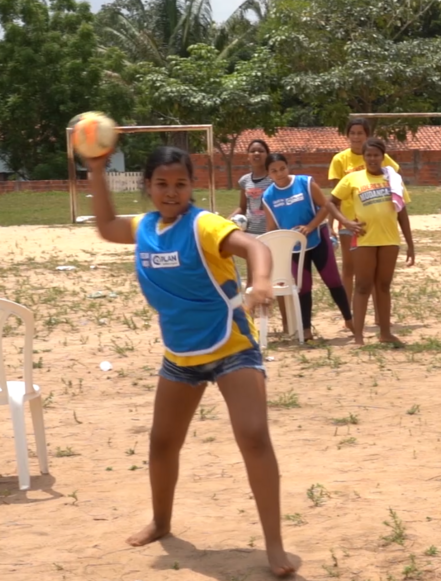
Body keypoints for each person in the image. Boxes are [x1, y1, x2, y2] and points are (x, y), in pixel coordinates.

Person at [83, 145, 295, 577]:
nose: (171, 192)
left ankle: (274, 546)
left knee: (254, 437)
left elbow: (254, 246)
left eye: (180, 183)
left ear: (191, 187)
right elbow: (105, 226)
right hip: (181, 356)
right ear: (148, 186)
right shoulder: (144, 227)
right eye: (161, 184)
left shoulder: (203, 225)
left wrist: (259, 283)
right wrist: (96, 168)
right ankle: (161, 522)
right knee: (162, 443)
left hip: (231, 349)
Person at [262, 153, 357, 339]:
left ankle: (350, 320)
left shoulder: (304, 183)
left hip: (318, 239)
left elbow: (326, 205)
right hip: (295, 249)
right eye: (274, 171)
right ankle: (306, 330)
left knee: (333, 281)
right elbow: (271, 228)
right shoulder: (268, 196)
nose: (279, 173)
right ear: (268, 174)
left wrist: (311, 226)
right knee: (303, 288)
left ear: (288, 167)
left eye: (282, 168)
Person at [333, 138, 416, 347]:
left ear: (383, 157)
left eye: (376, 155)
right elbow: (330, 202)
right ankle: (359, 336)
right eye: (368, 155)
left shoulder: (393, 179)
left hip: (389, 239)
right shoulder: (352, 178)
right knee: (362, 285)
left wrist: (410, 243)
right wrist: (344, 221)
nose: (372, 159)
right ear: (364, 156)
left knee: (384, 286)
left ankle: (385, 333)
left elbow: (402, 213)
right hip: (364, 239)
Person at [328, 118, 402, 308]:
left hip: (376, 222)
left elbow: (394, 175)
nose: (356, 137)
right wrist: (333, 225)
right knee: (349, 268)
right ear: (347, 135)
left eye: (360, 133)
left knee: (377, 272)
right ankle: (348, 313)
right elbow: (335, 197)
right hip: (351, 223)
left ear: (367, 135)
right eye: (352, 133)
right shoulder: (340, 159)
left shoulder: (376, 155)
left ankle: (380, 315)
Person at [229, 139, 274, 236]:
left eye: (261, 151)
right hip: (249, 232)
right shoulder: (244, 180)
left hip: (270, 233)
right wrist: (227, 221)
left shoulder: (274, 179)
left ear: (267, 155)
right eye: (252, 151)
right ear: (248, 156)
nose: (256, 153)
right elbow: (242, 207)